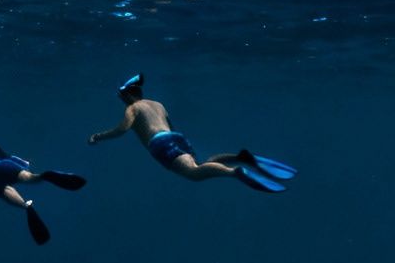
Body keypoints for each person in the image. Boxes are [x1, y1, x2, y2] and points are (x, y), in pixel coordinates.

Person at [85, 73, 294, 192]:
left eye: (122, 97)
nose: (121, 100)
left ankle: (234, 172)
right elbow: (170, 126)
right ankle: (239, 158)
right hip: (175, 138)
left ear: (128, 96)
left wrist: (98, 136)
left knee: (194, 174)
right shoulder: (158, 104)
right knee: (201, 165)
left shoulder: (133, 108)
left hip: (159, 144)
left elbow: (122, 129)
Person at [0, 122, 86, 245]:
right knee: (30, 178)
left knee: (5, 189)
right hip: (6, 163)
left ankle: (26, 206)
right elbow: (5, 154)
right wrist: (22, 162)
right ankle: (43, 176)